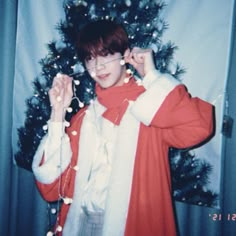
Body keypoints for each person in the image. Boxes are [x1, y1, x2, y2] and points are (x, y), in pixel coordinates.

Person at [32, 19, 214, 236]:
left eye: (106, 54)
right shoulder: (85, 118)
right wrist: (58, 112)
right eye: (90, 58)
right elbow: (51, 187)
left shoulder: (150, 108)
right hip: (80, 225)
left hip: (134, 227)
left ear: (125, 56)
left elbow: (200, 125)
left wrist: (151, 76)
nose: (98, 67)